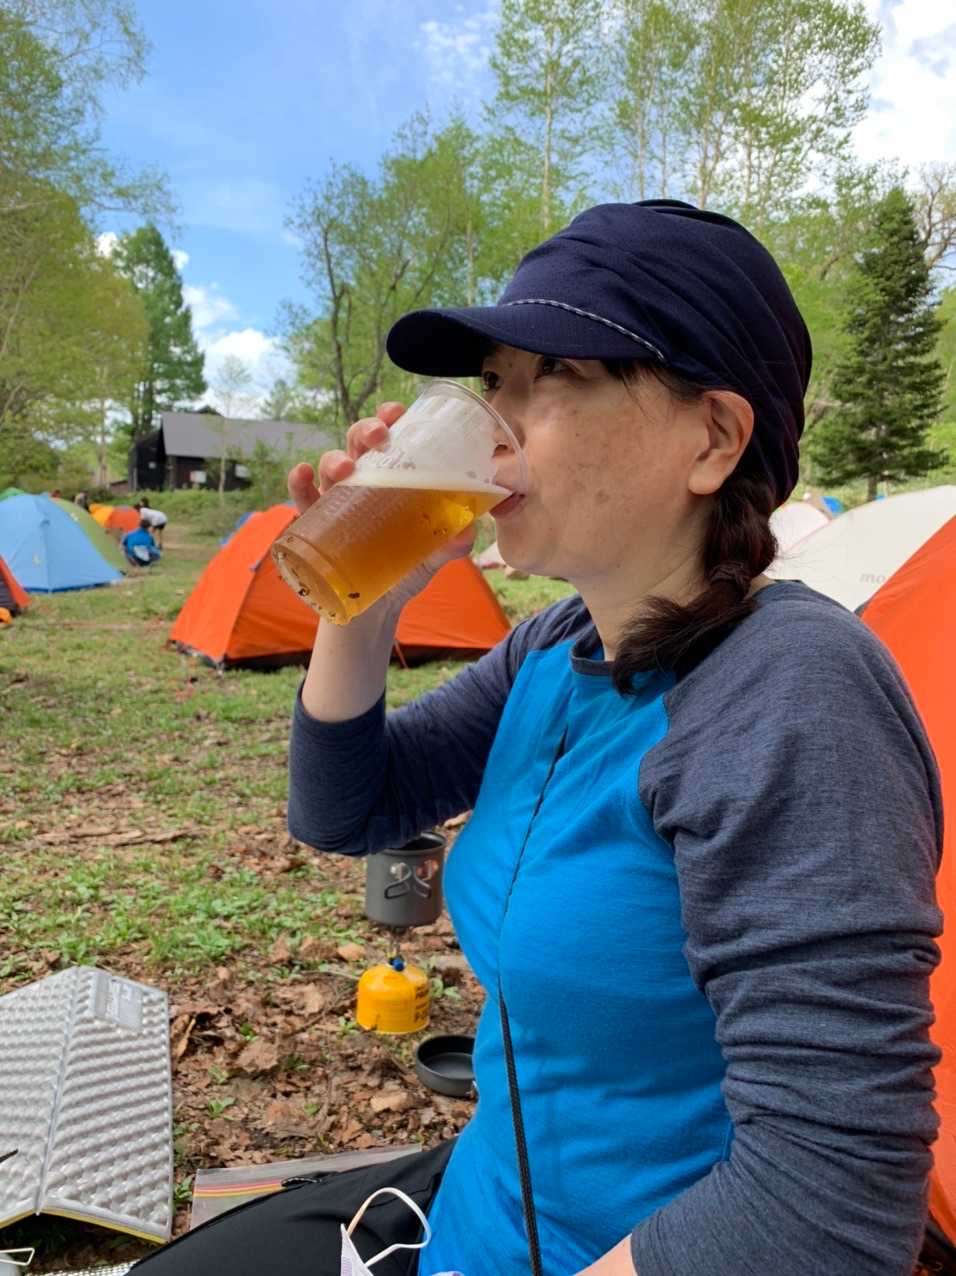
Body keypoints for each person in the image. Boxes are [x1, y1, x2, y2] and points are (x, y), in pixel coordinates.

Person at [132, 202, 942, 1276]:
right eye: (493, 380)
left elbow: (829, 1198)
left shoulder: (789, 690)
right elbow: (347, 807)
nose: (495, 425)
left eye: (553, 373)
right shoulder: (557, 647)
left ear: (711, 438)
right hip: (473, 1212)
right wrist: (365, 600)